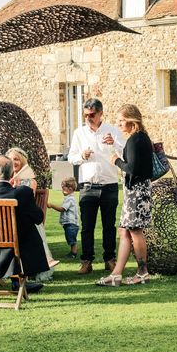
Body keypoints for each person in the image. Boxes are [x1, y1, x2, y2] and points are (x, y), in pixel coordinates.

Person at [0, 155, 49, 292]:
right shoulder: (22, 193)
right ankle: (19, 279)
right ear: (12, 174)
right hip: (14, 246)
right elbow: (38, 218)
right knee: (28, 229)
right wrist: (18, 191)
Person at [96, 104, 153, 286]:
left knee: (135, 231)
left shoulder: (137, 140)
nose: (119, 124)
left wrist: (116, 160)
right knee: (125, 231)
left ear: (131, 120)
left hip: (138, 192)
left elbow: (132, 168)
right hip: (133, 192)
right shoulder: (136, 139)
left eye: (121, 120)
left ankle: (142, 272)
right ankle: (116, 274)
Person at [67, 98, 125, 274]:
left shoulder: (113, 131)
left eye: (92, 115)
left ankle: (110, 259)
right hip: (87, 186)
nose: (88, 118)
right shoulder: (79, 133)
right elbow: (71, 157)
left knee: (109, 225)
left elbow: (125, 152)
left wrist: (114, 143)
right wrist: (82, 156)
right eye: (86, 115)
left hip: (109, 184)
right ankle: (87, 261)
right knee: (87, 226)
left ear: (101, 113)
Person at [5, 147, 59, 269]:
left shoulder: (30, 181)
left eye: (16, 159)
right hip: (8, 217)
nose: (14, 162)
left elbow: (27, 201)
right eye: (11, 160)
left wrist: (15, 188)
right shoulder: (5, 179)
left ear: (22, 161)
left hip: (25, 217)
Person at [47, 177, 79, 258]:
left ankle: (73, 253)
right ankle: (73, 252)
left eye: (63, 189)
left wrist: (52, 205)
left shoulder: (70, 199)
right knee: (70, 238)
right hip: (69, 223)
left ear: (70, 189)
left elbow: (62, 209)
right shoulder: (69, 198)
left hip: (71, 223)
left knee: (71, 239)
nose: (62, 191)